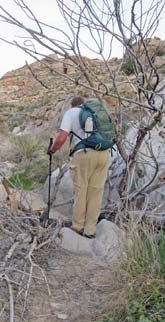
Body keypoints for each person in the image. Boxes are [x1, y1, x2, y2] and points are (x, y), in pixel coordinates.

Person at [47, 96, 110, 238]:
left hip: (84, 153)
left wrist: (52, 149)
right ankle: (90, 230)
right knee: (96, 191)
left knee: (81, 190)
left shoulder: (71, 113)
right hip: (104, 153)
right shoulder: (97, 111)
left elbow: (62, 137)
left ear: (73, 105)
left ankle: (77, 226)